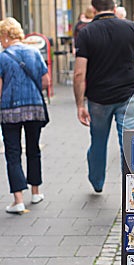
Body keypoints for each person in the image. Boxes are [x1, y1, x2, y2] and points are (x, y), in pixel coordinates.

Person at [73, 0, 134, 193]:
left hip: (98, 98)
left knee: (98, 141)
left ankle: (97, 181)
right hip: (128, 95)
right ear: (114, 8)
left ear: (93, 9)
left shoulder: (86, 33)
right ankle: (133, 189)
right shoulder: (130, 28)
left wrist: (79, 104)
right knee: (129, 142)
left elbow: (79, 74)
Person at [0, 17, 50, 213]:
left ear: (5, 36)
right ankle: (36, 192)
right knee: (33, 149)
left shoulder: (3, 57)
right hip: (35, 107)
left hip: (9, 111)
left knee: (13, 153)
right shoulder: (34, 52)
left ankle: (18, 199)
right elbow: (45, 80)